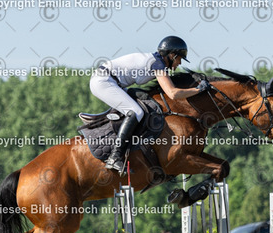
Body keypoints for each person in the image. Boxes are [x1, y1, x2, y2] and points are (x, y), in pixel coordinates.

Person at [89, 36, 210, 175]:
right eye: (179, 58)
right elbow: (173, 93)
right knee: (136, 112)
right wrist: (198, 90)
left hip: (112, 81)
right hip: (104, 81)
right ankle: (114, 157)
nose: (180, 63)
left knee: (142, 104)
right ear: (172, 55)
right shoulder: (157, 64)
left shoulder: (157, 61)